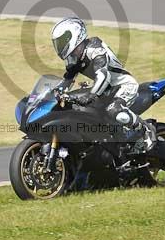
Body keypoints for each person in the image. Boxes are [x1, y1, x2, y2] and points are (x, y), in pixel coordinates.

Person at [51, 17, 154, 155]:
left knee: (115, 111)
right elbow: (68, 80)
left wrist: (91, 95)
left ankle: (145, 130)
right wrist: (54, 93)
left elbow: (103, 76)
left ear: (74, 34)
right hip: (106, 91)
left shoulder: (95, 48)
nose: (60, 45)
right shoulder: (75, 57)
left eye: (62, 40)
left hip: (123, 85)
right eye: (58, 42)